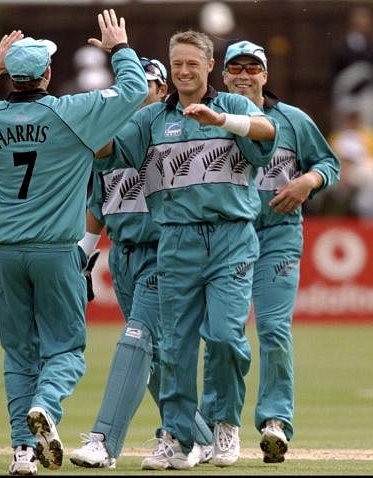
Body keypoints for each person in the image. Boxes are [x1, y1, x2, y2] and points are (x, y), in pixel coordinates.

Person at [0, 9, 148, 475]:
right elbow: (134, 91)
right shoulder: (71, 114)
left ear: (12, 76)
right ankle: (47, 406)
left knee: (19, 353)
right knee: (66, 351)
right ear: (48, 74)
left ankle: (22, 452)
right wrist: (119, 48)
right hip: (56, 252)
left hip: (6, 254)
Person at [95, 30, 279, 469]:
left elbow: (266, 130)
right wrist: (92, 121)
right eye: (176, 64)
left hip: (230, 238)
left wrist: (220, 123)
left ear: (209, 65)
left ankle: (225, 426)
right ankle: (177, 438)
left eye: (191, 64)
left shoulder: (232, 105)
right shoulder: (151, 120)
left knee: (226, 337)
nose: (182, 71)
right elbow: (109, 153)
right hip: (175, 239)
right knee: (174, 345)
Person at [68, 57, 213, 471]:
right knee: (153, 357)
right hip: (126, 257)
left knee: (135, 339)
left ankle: (103, 442)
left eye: (147, 87)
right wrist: (84, 251)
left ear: (162, 91)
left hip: (163, 251)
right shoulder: (114, 137)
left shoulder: (165, 133)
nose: (138, 97)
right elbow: (99, 199)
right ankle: (199, 436)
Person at [201, 40, 340, 464]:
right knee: (220, 334)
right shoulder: (208, 118)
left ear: (265, 75)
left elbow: (329, 164)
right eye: (235, 69)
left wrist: (307, 182)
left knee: (274, 330)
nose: (244, 75)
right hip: (224, 238)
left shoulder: (292, 120)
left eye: (252, 68)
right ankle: (216, 422)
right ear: (223, 76)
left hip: (276, 236)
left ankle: (275, 422)